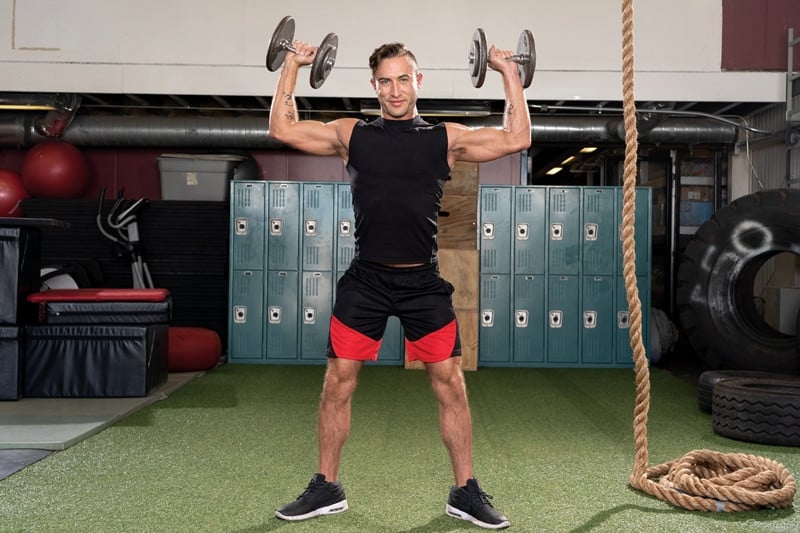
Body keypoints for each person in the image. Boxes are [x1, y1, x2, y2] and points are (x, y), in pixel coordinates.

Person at [268, 36, 531, 530]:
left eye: (403, 79)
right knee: (337, 380)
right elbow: (282, 128)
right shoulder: (352, 135)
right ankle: (326, 486)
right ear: (374, 86)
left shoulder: (445, 139)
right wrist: (292, 66)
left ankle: (465, 491)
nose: (395, 90)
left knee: (450, 382)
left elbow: (517, 139)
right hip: (366, 280)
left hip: (422, 283)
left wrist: (509, 73)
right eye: (385, 81)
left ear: (418, 82)